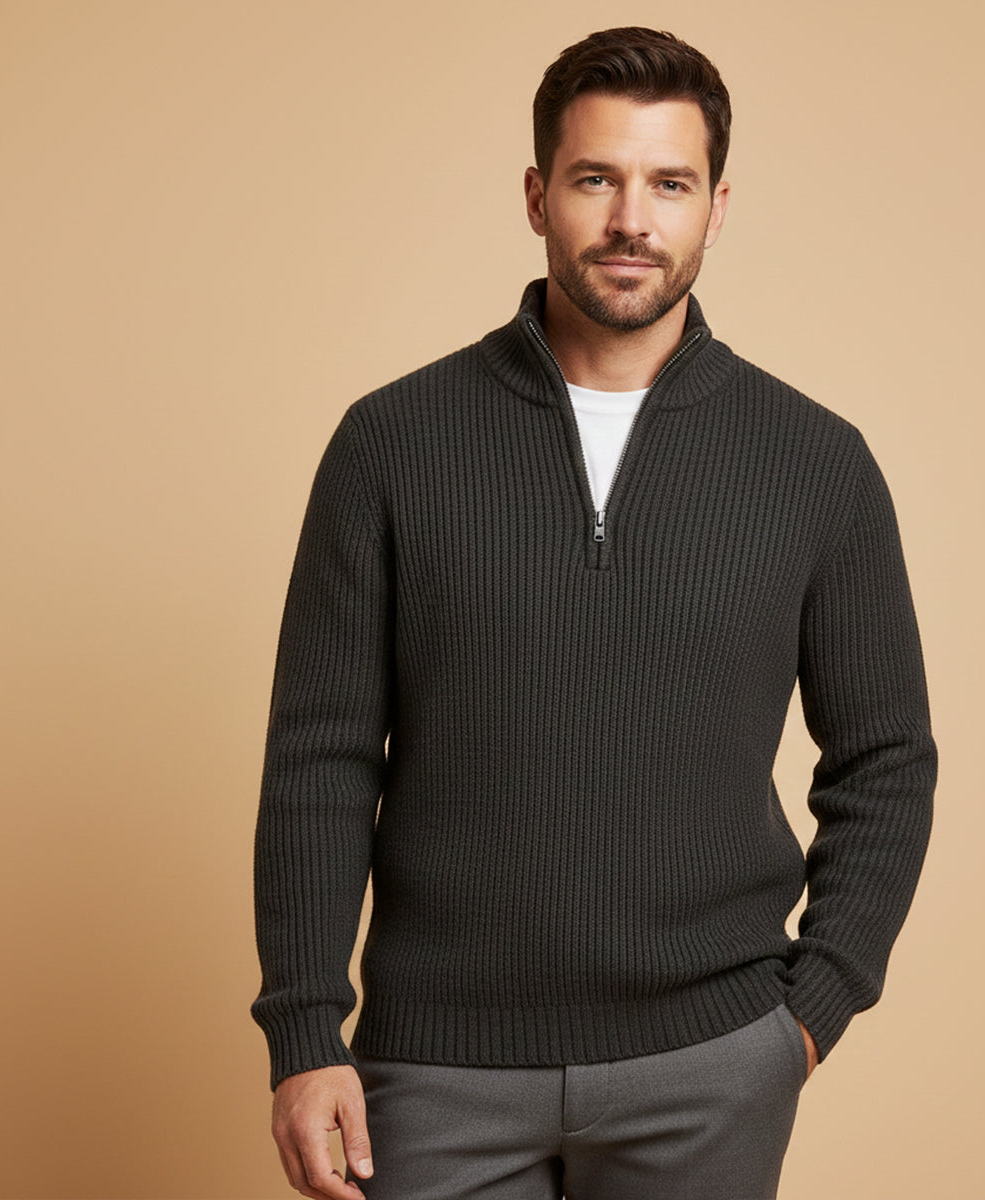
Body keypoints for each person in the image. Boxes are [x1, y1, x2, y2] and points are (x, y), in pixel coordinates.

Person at [253, 26, 936, 1200]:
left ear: (716, 207)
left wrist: (810, 1013)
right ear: (537, 197)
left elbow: (886, 759)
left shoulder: (816, 463)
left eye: (669, 183)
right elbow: (321, 757)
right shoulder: (392, 445)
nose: (632, 219)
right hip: (435, 1070)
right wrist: (306, 1033)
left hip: (711, 1066)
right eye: (595, 179)